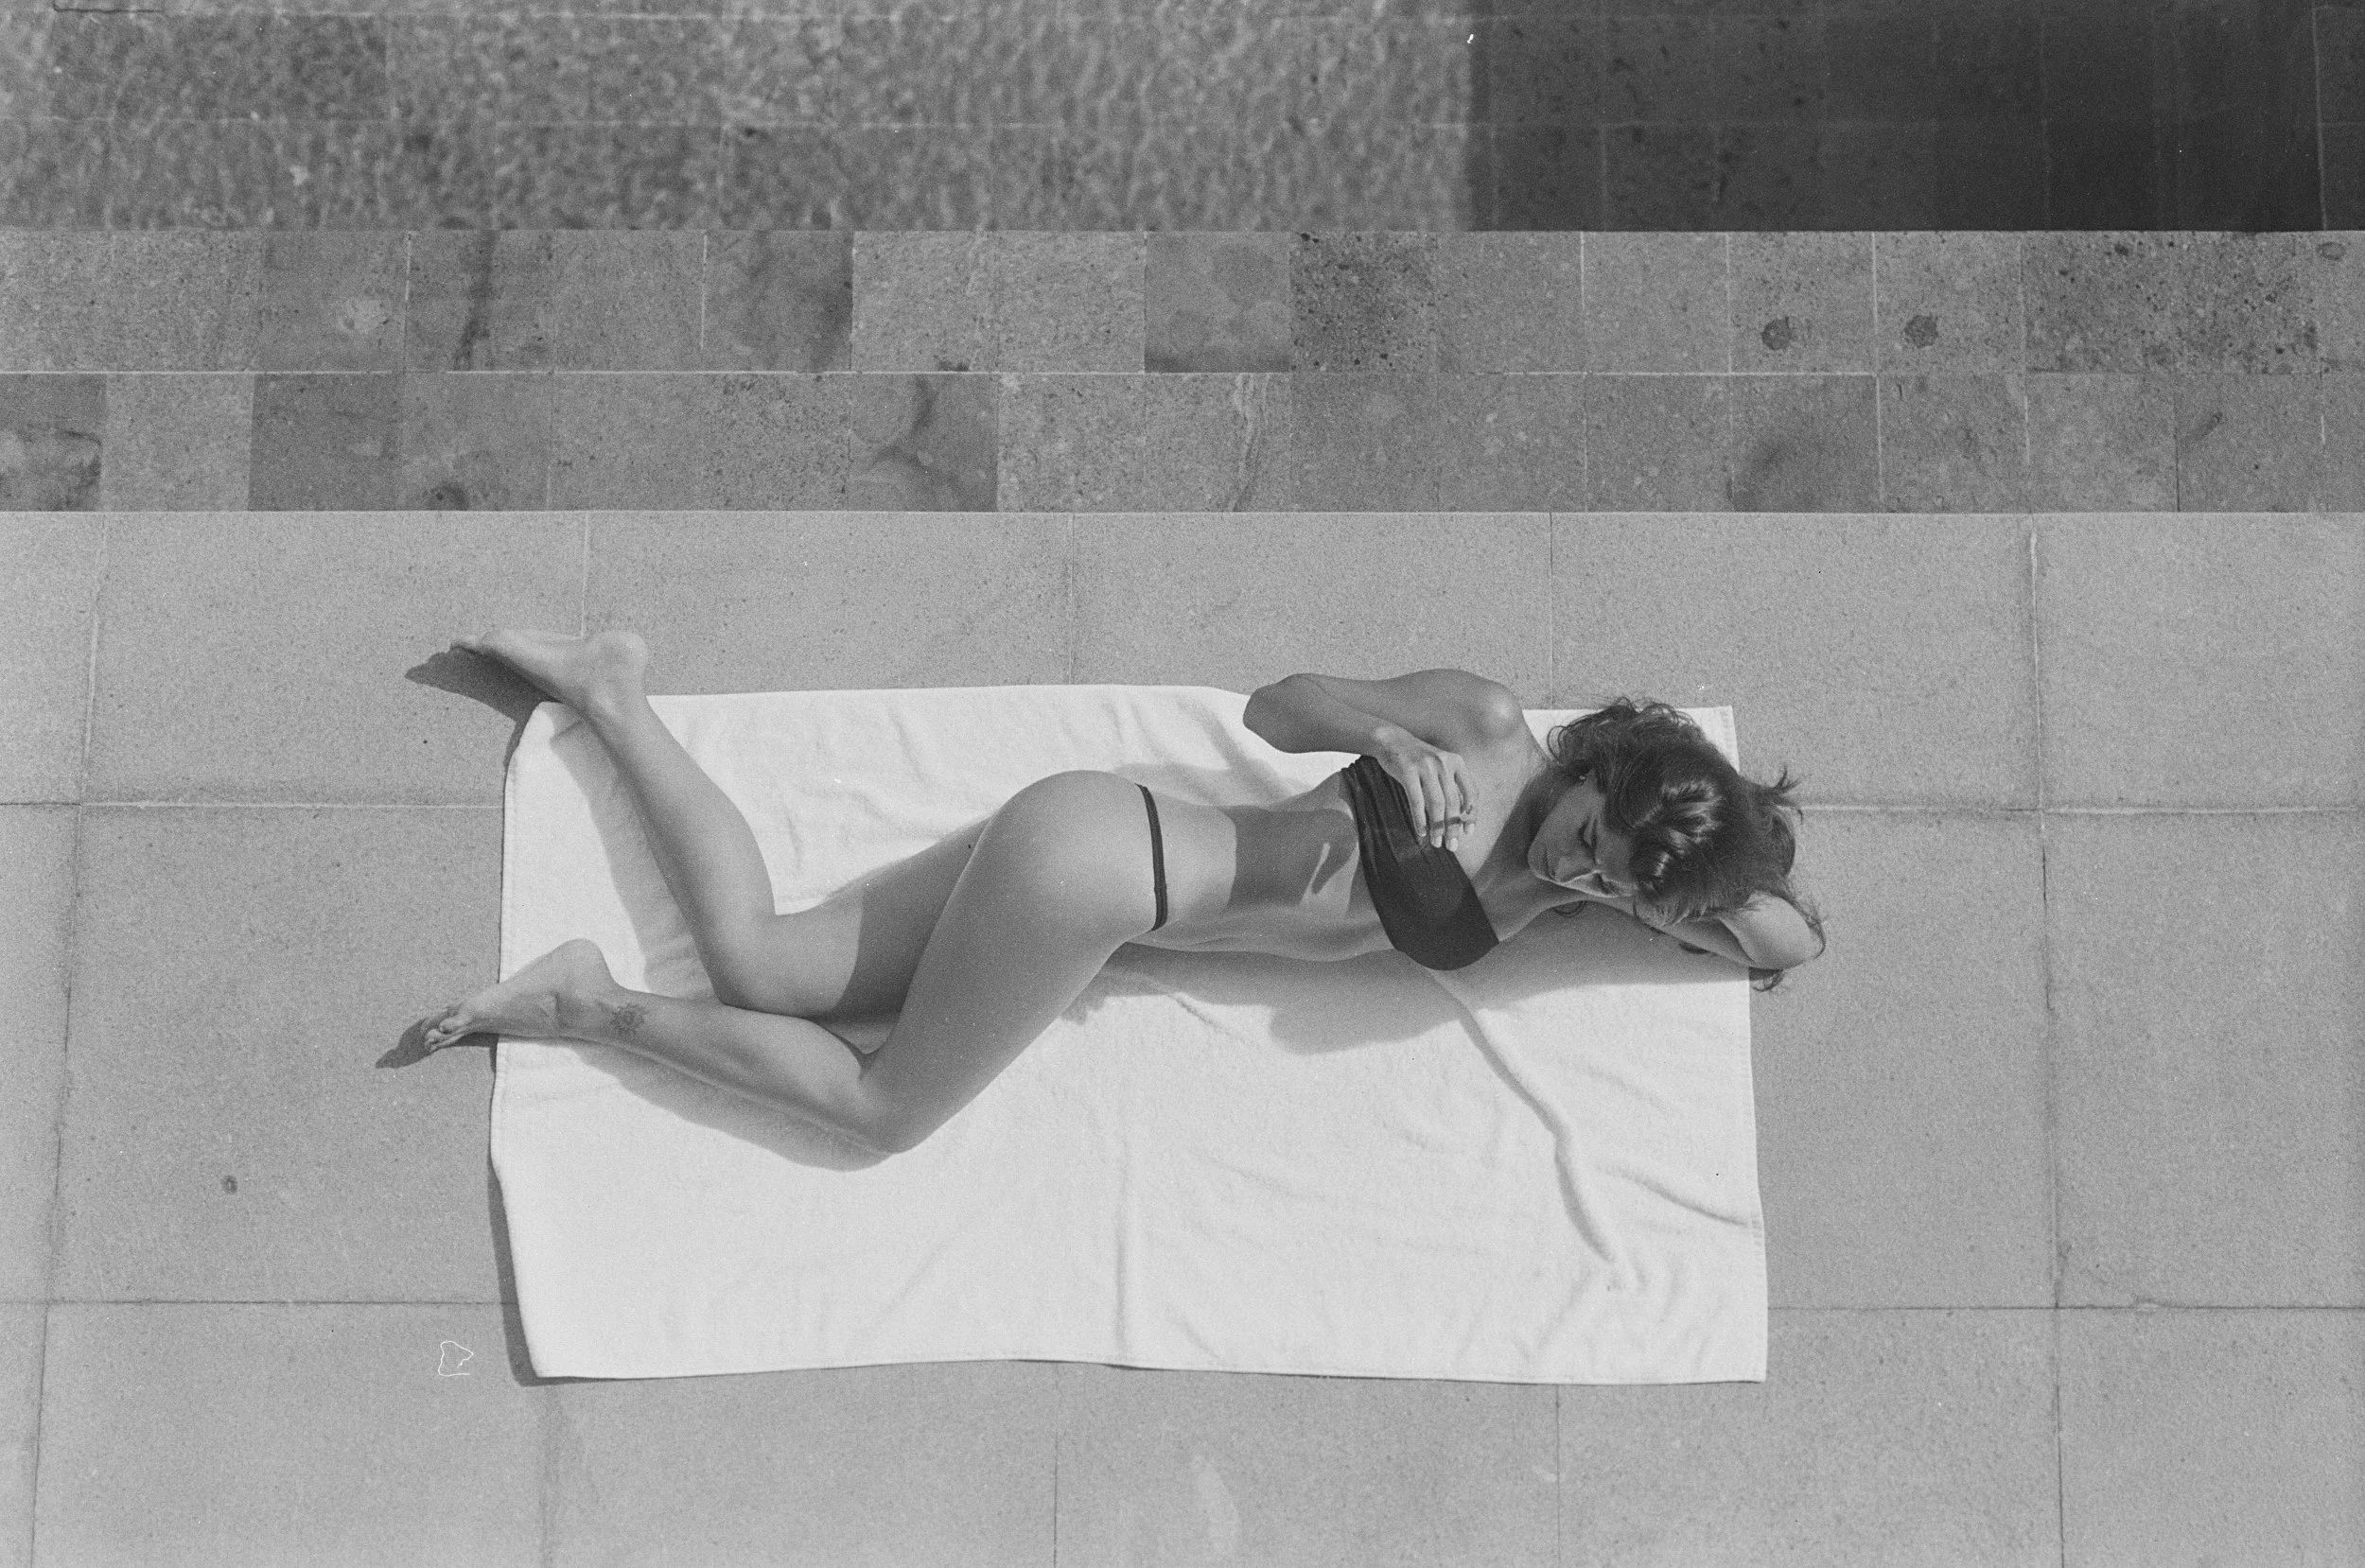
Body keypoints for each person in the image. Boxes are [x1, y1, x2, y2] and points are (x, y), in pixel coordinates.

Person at [420, 630, 1824, 1157]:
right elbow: (1278, 706)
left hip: (1088, 853)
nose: (1577, 867)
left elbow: (1782, 932)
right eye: (1590, 832)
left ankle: (611, 693)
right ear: (1602, 761)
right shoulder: (1483, 726)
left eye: (1617, 884)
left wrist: (1689, 868)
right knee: (882, 1109)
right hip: (1102, 873)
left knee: (767, 963)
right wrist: (1381, 740)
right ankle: (589, 1005)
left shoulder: (1594, 891)